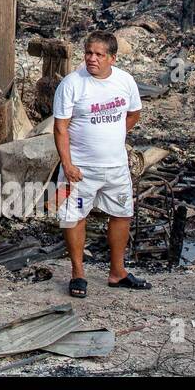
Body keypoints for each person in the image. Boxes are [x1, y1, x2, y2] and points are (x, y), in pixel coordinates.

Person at [53, 30, 148, 298]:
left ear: (112, 58)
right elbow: (60, 129)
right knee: (73, 216)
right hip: (78, 170)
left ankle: (117, 272)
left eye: (99, 54)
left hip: (115, 168)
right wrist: (67, 164)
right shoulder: (71, 84)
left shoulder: (125, 81)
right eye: (88, 53)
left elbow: (134, 113)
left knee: (121, 213)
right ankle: (78, 273)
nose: (92, 59)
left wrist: (115, 137)